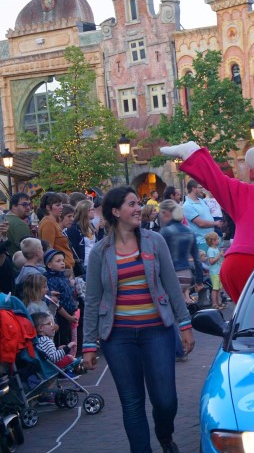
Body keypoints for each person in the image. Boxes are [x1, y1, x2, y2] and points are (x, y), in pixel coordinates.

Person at [82, 186, 194, 453]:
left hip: (157, 331)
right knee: (132, 402)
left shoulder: (155, 241)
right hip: (118, 337)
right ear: (115, 211)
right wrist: (88, 344)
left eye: (138, 203)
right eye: (131, 204)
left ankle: (165, 436)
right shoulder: (100, 252)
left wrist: (185, 324)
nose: (138, 208)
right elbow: (93, 300)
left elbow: (172, 285)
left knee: (165, 400)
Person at [158, 199, 204, 306]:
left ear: (166, 212)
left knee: (173, 308)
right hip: (187, 275)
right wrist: (199, 280)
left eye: (161, 213)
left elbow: (160, 258)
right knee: (182, 306)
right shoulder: (189, 231)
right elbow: (197, 258)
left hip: (172, 275)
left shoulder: (165, 231)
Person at [44, 249, 78, 348]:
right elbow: (56, 303)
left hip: (70, 314)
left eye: (63, 260)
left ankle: (70, 357)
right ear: (49, 265)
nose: (62, 263)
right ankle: (63, 360)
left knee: (70, 338)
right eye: (58, 261)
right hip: (61, 317)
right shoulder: (51, 280)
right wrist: (68, 317)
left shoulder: (62, 277)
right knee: (63, 341)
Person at [38, 194, 75, 272]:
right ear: (48, 207)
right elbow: (48, 250)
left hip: (66, 268)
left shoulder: (53, 222)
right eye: (58, 205)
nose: (61, 207)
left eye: (61, 204)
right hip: (60, 270)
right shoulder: (48, 223)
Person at [66, 200, 103, 276]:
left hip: (95, 262)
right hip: (84, 265)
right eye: (92, 209)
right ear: (86, 211)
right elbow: (73, 248)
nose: (94, 211)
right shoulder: (74, 228)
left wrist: (101, 229)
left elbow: (98, 242)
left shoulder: (90, 225)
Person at [182, 180, 220, 253]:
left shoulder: (201, 200)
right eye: (200, 188)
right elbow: (200, 223)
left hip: (212, 239)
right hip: (202, 242)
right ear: (193, 189)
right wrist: (216, 223)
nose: (202, 190)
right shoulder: (187, 205)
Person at [5, 193, 33, 259]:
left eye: (29, 204)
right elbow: (28, 250)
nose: (28, 207)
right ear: (14, 206)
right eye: (24, 205)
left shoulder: (4, 219)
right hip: (19, 265)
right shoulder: (19, 224)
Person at [205, 232, 225, 310]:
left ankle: (219, 302)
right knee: (215, 288)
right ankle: (214, 303)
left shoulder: (216, 248)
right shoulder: (210, 250)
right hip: (214, 272)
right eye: (217, 239)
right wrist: (219, 256)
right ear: (213, 241)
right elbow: (211, 261)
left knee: (219, 288)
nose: (219, 239)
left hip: (218, 271)